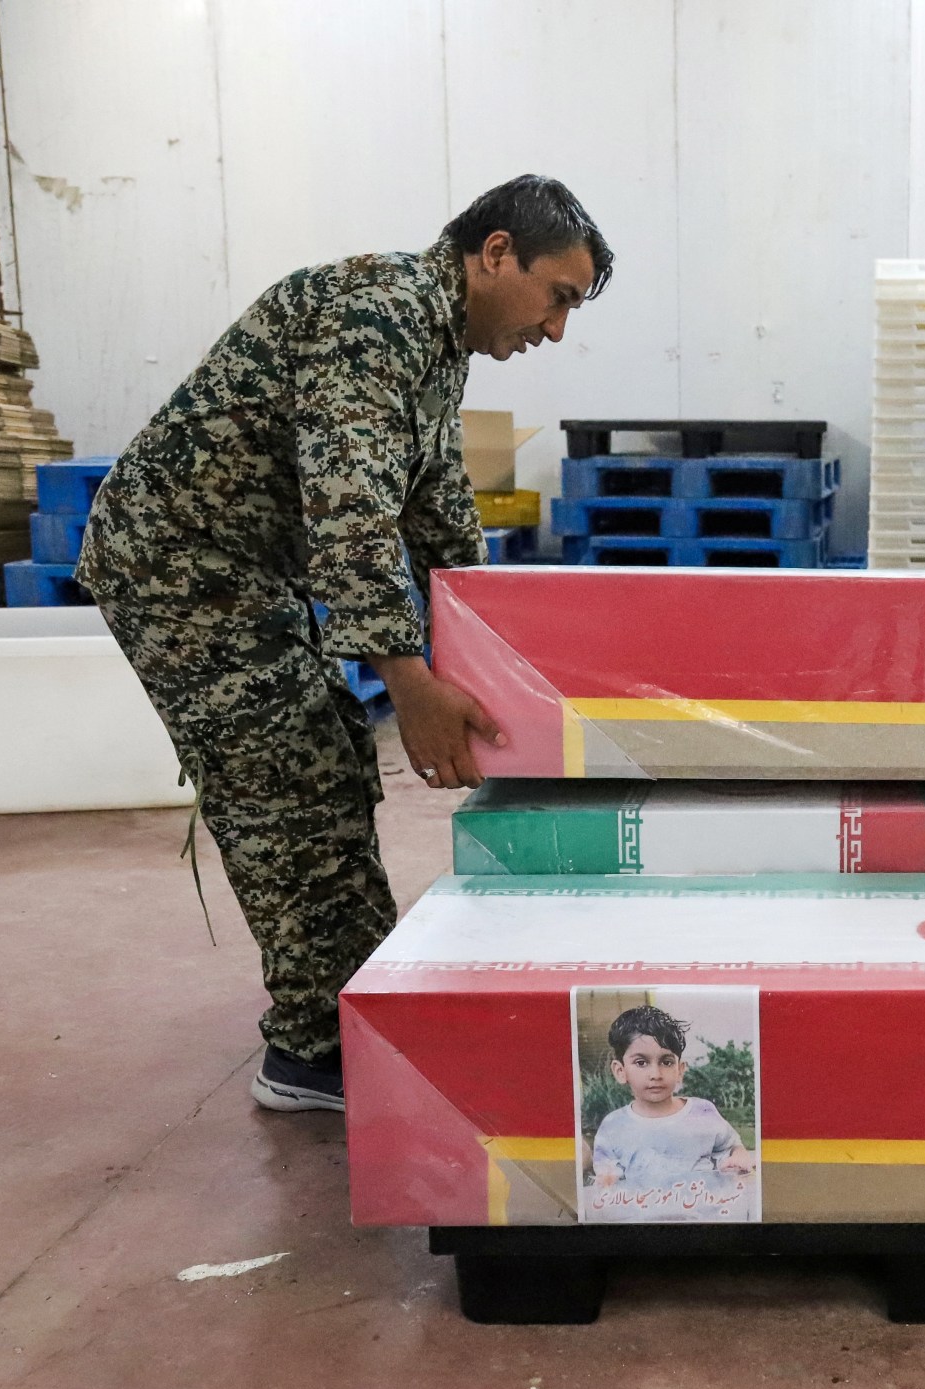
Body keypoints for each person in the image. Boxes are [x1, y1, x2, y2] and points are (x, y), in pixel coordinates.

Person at [75, 175, 613, 1113]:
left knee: (329, 761)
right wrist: (410, 682)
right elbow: (351, 512)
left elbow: (436, 504)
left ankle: (348, 1010)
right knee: (289, 784)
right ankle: (312, 1053)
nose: (558, 329)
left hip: (251, 569)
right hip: (180, 564)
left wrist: (501, 645)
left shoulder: (438, 342)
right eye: (557, 297)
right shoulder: (376, 317)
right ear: (496, 253)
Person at [587, 1005, 755, 1222]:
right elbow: (607, 1176)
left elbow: (732, 1147)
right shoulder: (613, 1126)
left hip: (703, 1218)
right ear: (620, 1071)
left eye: (666, 1062)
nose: (655, 1074)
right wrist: (607, 1179)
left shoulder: (702, 1112)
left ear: (680, 1070)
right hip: (644, 1222)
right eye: (641, 1062)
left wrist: (738, 1158)